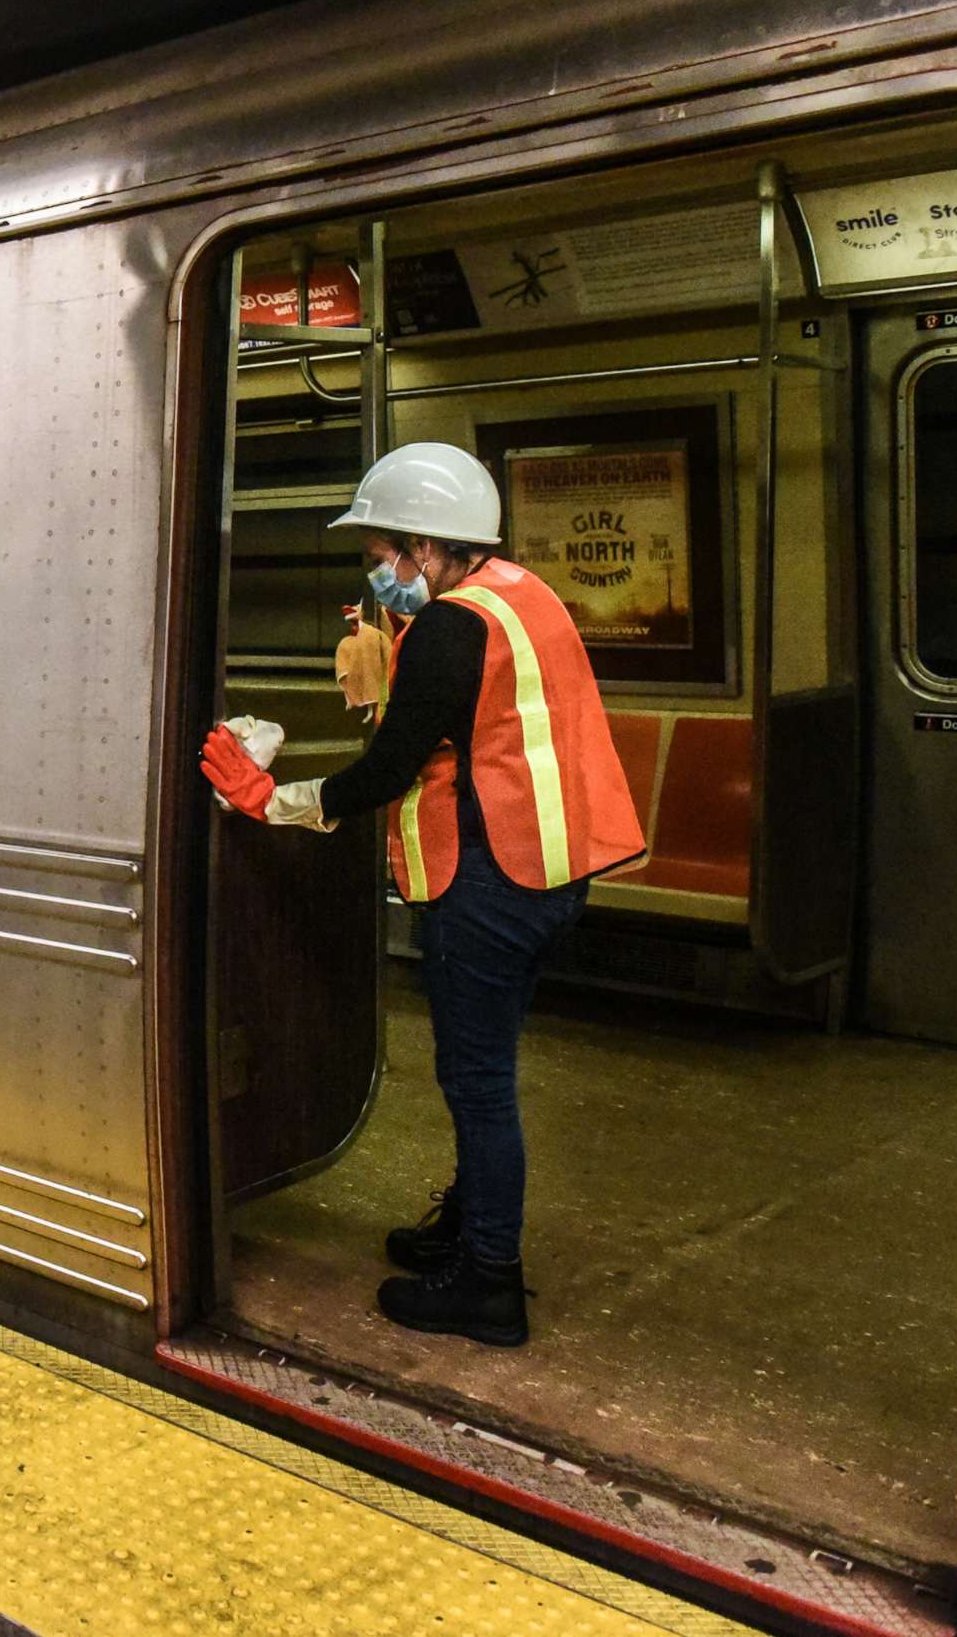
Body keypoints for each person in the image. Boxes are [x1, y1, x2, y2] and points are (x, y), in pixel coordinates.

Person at [199, 442, 644, 1347]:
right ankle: (467, 1220)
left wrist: (271, 799)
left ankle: (488, 1281)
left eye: (380, 556)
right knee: (485, 1073)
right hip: (553, 877)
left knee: (477, 1085)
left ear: (423, 547)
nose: (378, 574)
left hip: (489, 882)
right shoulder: (524, 596)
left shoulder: (448, 628)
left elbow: (390, 771)